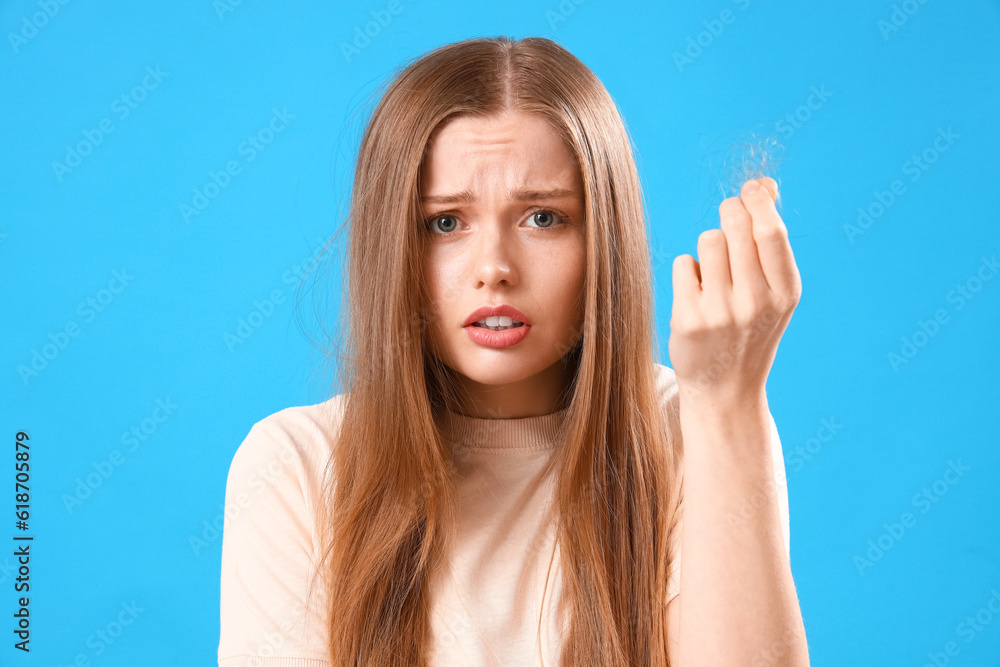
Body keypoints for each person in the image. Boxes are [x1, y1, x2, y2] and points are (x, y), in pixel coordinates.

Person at [218, 35, 809, 666]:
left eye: (543, 218)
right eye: (445, 222)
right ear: (393, 246)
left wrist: (727, 402)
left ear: (603, 238)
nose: (494, 268)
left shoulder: (699, 430)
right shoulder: (297, 466)